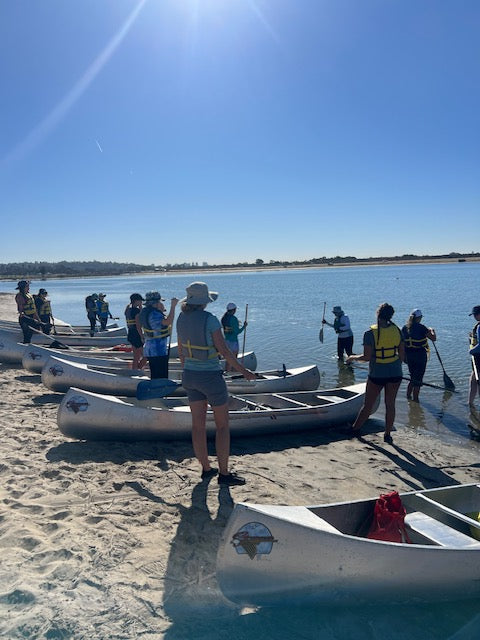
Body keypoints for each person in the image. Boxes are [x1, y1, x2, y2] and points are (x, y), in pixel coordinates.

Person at [176, 282, 256, 485]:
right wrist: (245, 372)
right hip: (211, 377)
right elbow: (225, 352)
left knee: (198, 426)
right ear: (204, 301)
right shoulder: (210, 320)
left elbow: (181, 352)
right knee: (222, 427)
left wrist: (187, 369)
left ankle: (205, 469)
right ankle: (224, 474)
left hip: (190, 376)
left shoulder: (181, 318)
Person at [346, 302, 404, 444]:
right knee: (390, 404)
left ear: (378, 314)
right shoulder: (398, 330)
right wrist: (393, 365)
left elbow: (366, 357)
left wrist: (352, 358)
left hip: (377, 373)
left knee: (368, 404)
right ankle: (388, 434)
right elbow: (402, 356)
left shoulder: (369, 333)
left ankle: (355, 429)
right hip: (395, 372)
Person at [139, 291, 178, 379]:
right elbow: (168, 322)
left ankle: (156, 388)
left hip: (150, 348)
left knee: (155, 373)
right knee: (161, 375)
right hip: (157, 349)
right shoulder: (154, 314)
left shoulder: (145, 311)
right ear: (155, 303)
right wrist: (173, 307)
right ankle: (160, 389)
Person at [401, 309, 436, 402]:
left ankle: (408, 398)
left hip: (409, 356)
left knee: (412, 377)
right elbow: (433, 338)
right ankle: (416, 400)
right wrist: (432, 330)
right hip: (420, 356)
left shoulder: (405, 328)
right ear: (419, 318)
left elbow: (402, 344)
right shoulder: (422, 328)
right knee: (418, 379)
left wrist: (403, 357)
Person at [221, 302, 247, 371]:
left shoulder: (224, 318)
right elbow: (237, 332)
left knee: (228, 359)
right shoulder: (233, 319)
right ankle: (230, 374)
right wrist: (244, 326)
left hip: (226, 341)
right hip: (233, 342)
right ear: (233, 310)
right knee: (233, 359)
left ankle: (227, 372)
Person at [125, 293, 147, 370]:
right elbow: (138, 326)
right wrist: (142, 337)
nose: (141, 302)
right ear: (136, 301)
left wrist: (140, 307)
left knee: (136, 356)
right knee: (145, 356)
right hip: (136, 335)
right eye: (140, 301)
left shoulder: (127, 310)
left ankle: (135, 370)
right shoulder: (136, 311)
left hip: (130, 334)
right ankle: (137, 369)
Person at [469, 305, 480, 408]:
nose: (474, 317)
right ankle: (470, 403)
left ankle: (471, 403)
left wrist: (471, 350)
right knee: (473, 379)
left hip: (478, 357)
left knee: (476, 380)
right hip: (477, 357)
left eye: (475, 315)